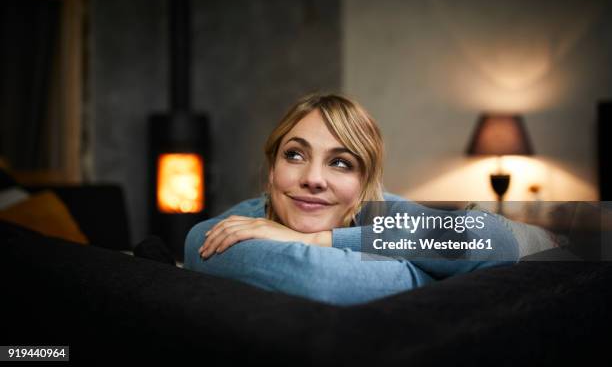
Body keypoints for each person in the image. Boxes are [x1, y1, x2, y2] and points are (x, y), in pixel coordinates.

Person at [183, 93, 526, 306]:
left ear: (365, 185)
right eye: (295, 156)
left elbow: (503, 243)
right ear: (272, 169)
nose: (313, 179)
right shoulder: (235, 227)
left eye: (340, 163)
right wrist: (429, 277)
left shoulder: (384, 211)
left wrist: (320, 239)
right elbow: (317, 280)